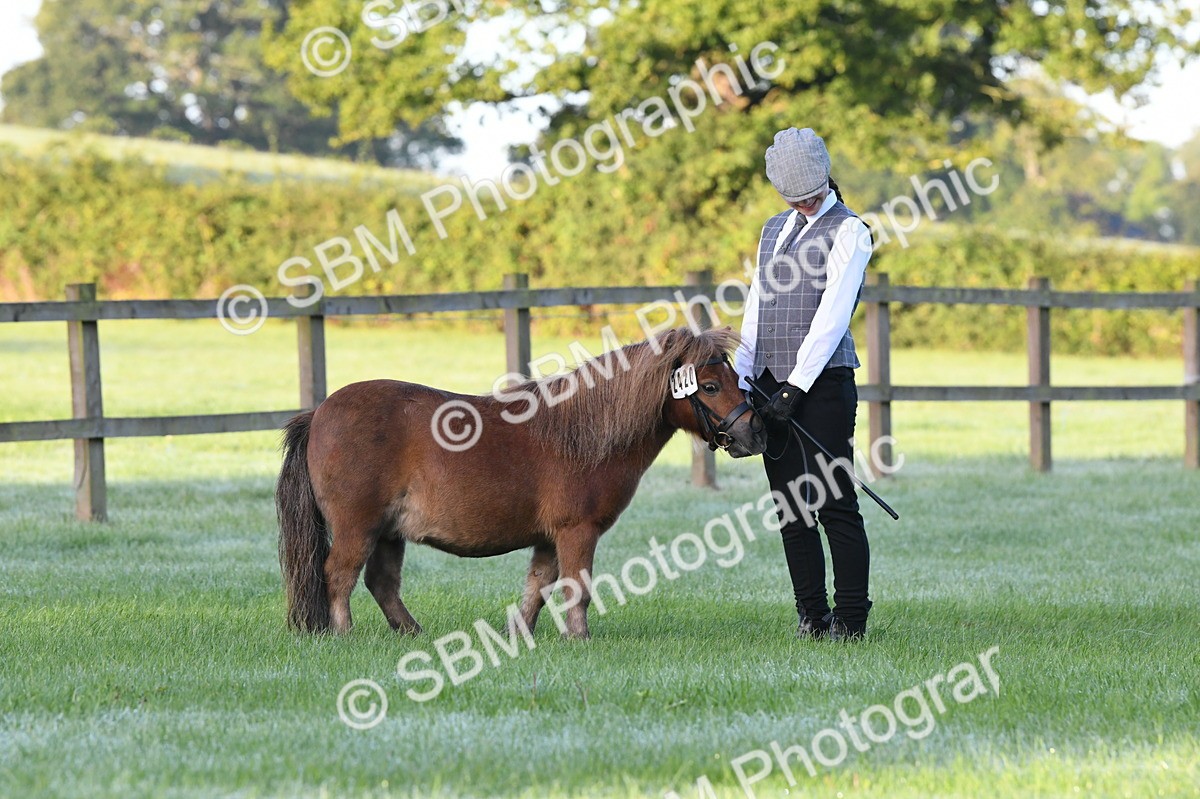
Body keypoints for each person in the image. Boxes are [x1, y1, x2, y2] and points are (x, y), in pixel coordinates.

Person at [733, 127, 874, 641]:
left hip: (824, 386)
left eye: (810, 192)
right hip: (771, 386)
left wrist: (796, 386)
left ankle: (851, 620)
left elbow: (831, 317)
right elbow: (757, 308)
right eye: (793, 197)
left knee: (835, 503)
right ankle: (811, 617)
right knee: (790, 507)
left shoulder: (850, 231)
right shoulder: (773, 230)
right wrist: (747, 376)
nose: (804, 203)